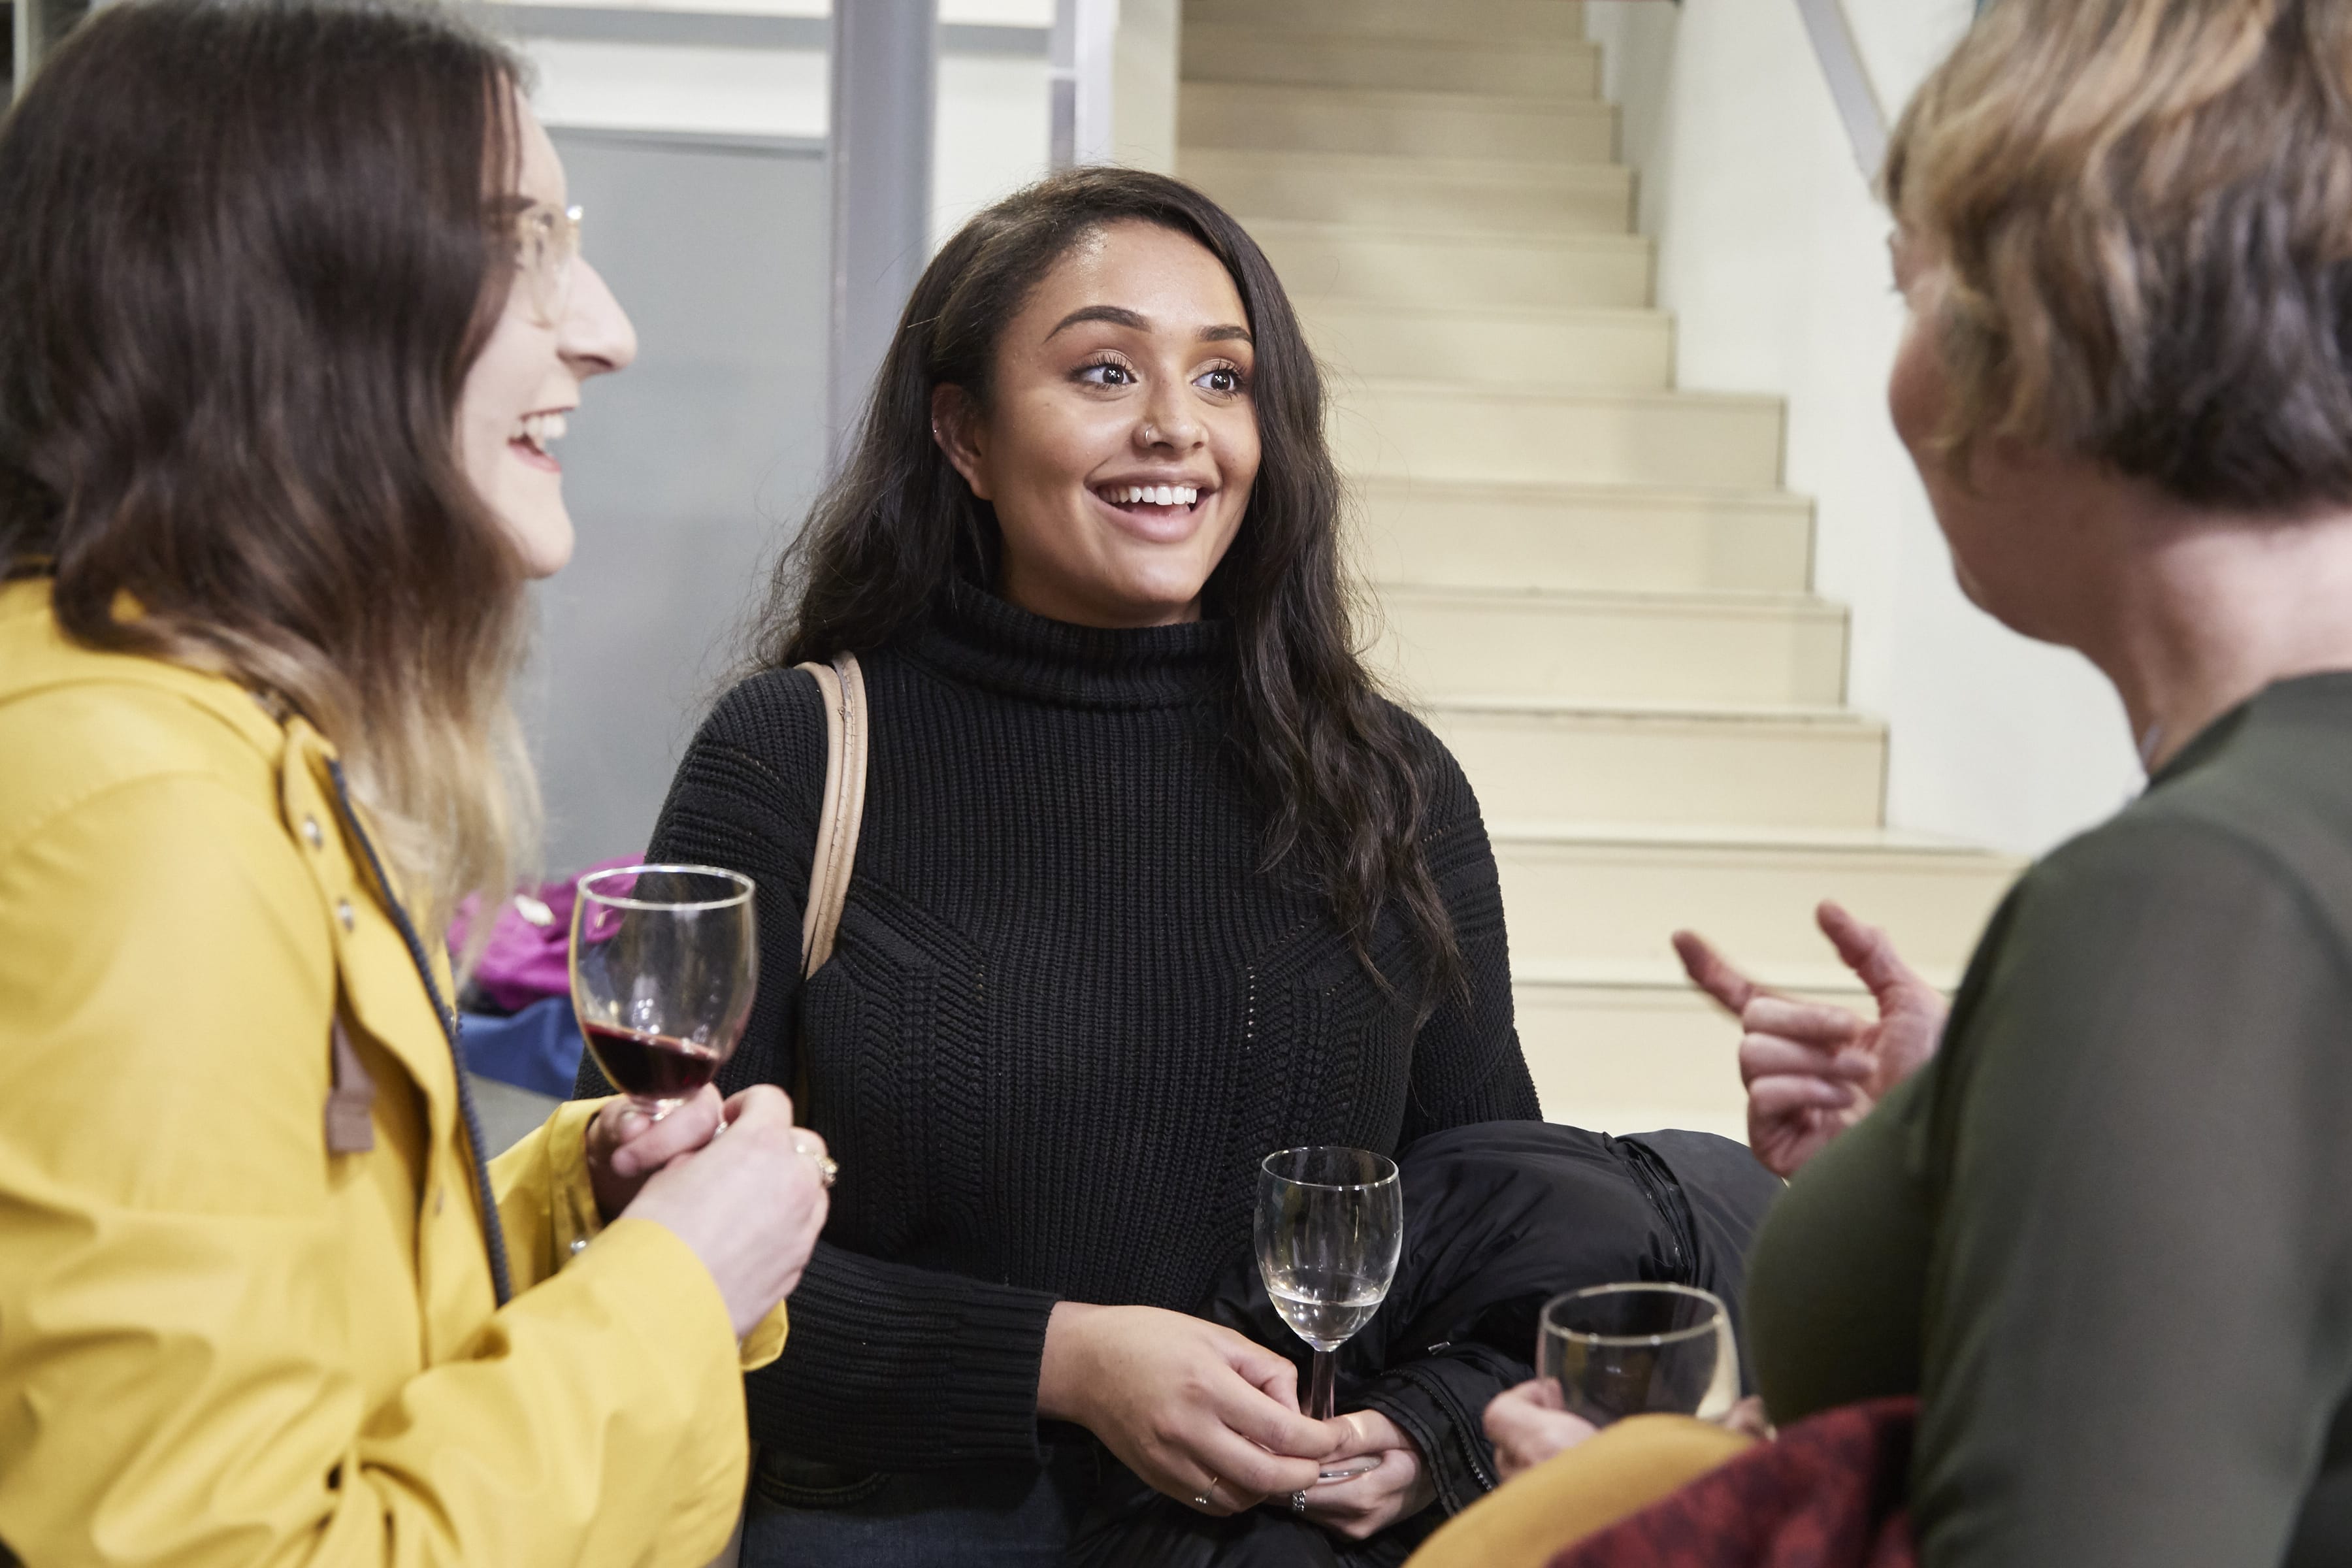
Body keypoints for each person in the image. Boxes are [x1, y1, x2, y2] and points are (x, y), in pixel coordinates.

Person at [1446, 0, 2352, 1562]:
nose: (1899, 374)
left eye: (1910, 290)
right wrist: (1988, 1122)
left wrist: (1641, 1523)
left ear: (2057, 331)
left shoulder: (2184, 908)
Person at [578, 167, 1545, 1564]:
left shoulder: (1386, 789)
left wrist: (1435, 1427)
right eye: (1105, 370)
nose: (1177, 429)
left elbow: (1498, 1221)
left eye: (1225, 381)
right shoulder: (798, 756)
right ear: (962, 433)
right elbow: (657, 1259)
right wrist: (1065, 1361)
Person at [0, 3, 830, 1562]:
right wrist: (675, 1292)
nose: (605, 326)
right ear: (286, 303)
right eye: (522, 245)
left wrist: (577, 1210)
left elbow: (275, 1335)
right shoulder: (141, 821)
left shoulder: (205, 747)